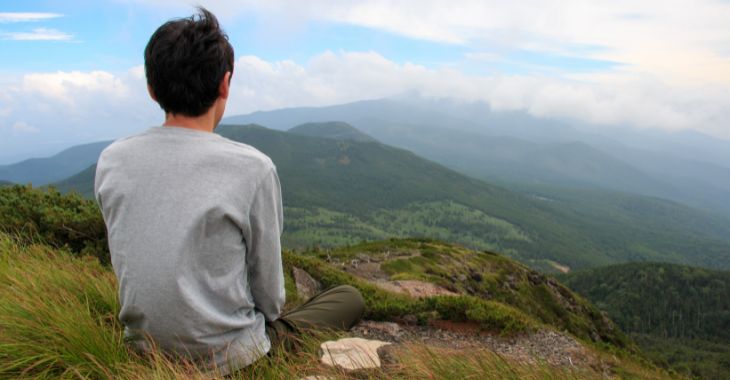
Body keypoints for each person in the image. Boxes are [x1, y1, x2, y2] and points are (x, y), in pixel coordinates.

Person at [93, 7, 364, 375]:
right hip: (231, 361)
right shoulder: (252, 168)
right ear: (225, 83)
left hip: (143, 350)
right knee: (349, 297)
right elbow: (270, 298)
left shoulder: (112, 160)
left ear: (151, 88)